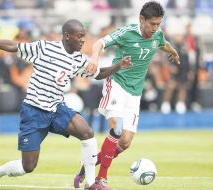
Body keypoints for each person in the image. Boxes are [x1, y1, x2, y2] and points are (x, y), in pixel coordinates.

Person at [0, 19, 132, 190]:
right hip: (34, 110)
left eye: (84, 37)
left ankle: (90, 184)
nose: (82, 40)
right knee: (27, 167)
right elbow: (14, 46)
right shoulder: (45, 48)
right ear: (67, 36)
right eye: (79, 36)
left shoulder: (78, 59)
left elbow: (97, 74)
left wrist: (118, 66)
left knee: (87, 132)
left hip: (56, 108)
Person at [74, 1, 180, 189]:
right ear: (141, 19)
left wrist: (173, 51)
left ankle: (88, 166)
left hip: (135, 93)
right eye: (152, 24)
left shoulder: (157, 34)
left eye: (158, 24)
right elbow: (100, 43)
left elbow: (163, 43)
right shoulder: (127, 32)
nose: (155, 28)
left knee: (125, 142)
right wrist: (95, 57)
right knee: (116, 128)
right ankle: (100, 180)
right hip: (116, 83)